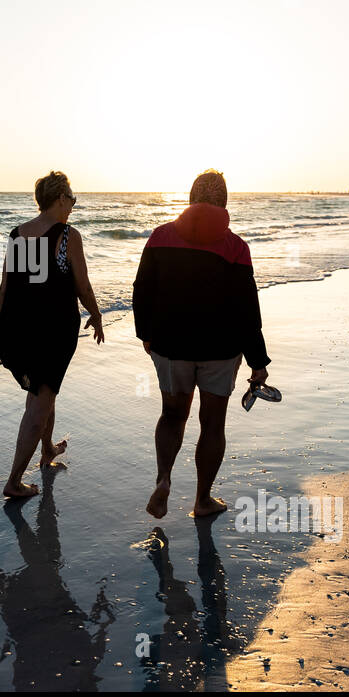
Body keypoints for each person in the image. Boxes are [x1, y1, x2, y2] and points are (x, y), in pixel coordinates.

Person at [132, 169, 270, 519]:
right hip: (220, 351)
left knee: (171, 415)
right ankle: (202, 499)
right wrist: (258, 360)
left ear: (190, 198)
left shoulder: (160, 237)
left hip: (170, 346)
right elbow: (246, 310)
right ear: (224, 202)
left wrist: (146, 334)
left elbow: (141, 290)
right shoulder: (236, 248)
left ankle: (163, 480)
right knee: (212, 424)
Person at [0, 171, 104, 498]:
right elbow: (82, 285)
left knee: (42, 391)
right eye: (72, 199)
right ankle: (14, 481)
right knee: (39, 402)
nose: (73, 205)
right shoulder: (67, 236)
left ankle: (48, 449)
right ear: (61, 198)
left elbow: (6, 289)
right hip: (52, 334)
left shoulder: (18, 234)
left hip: (19, 332)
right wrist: (96, 314)